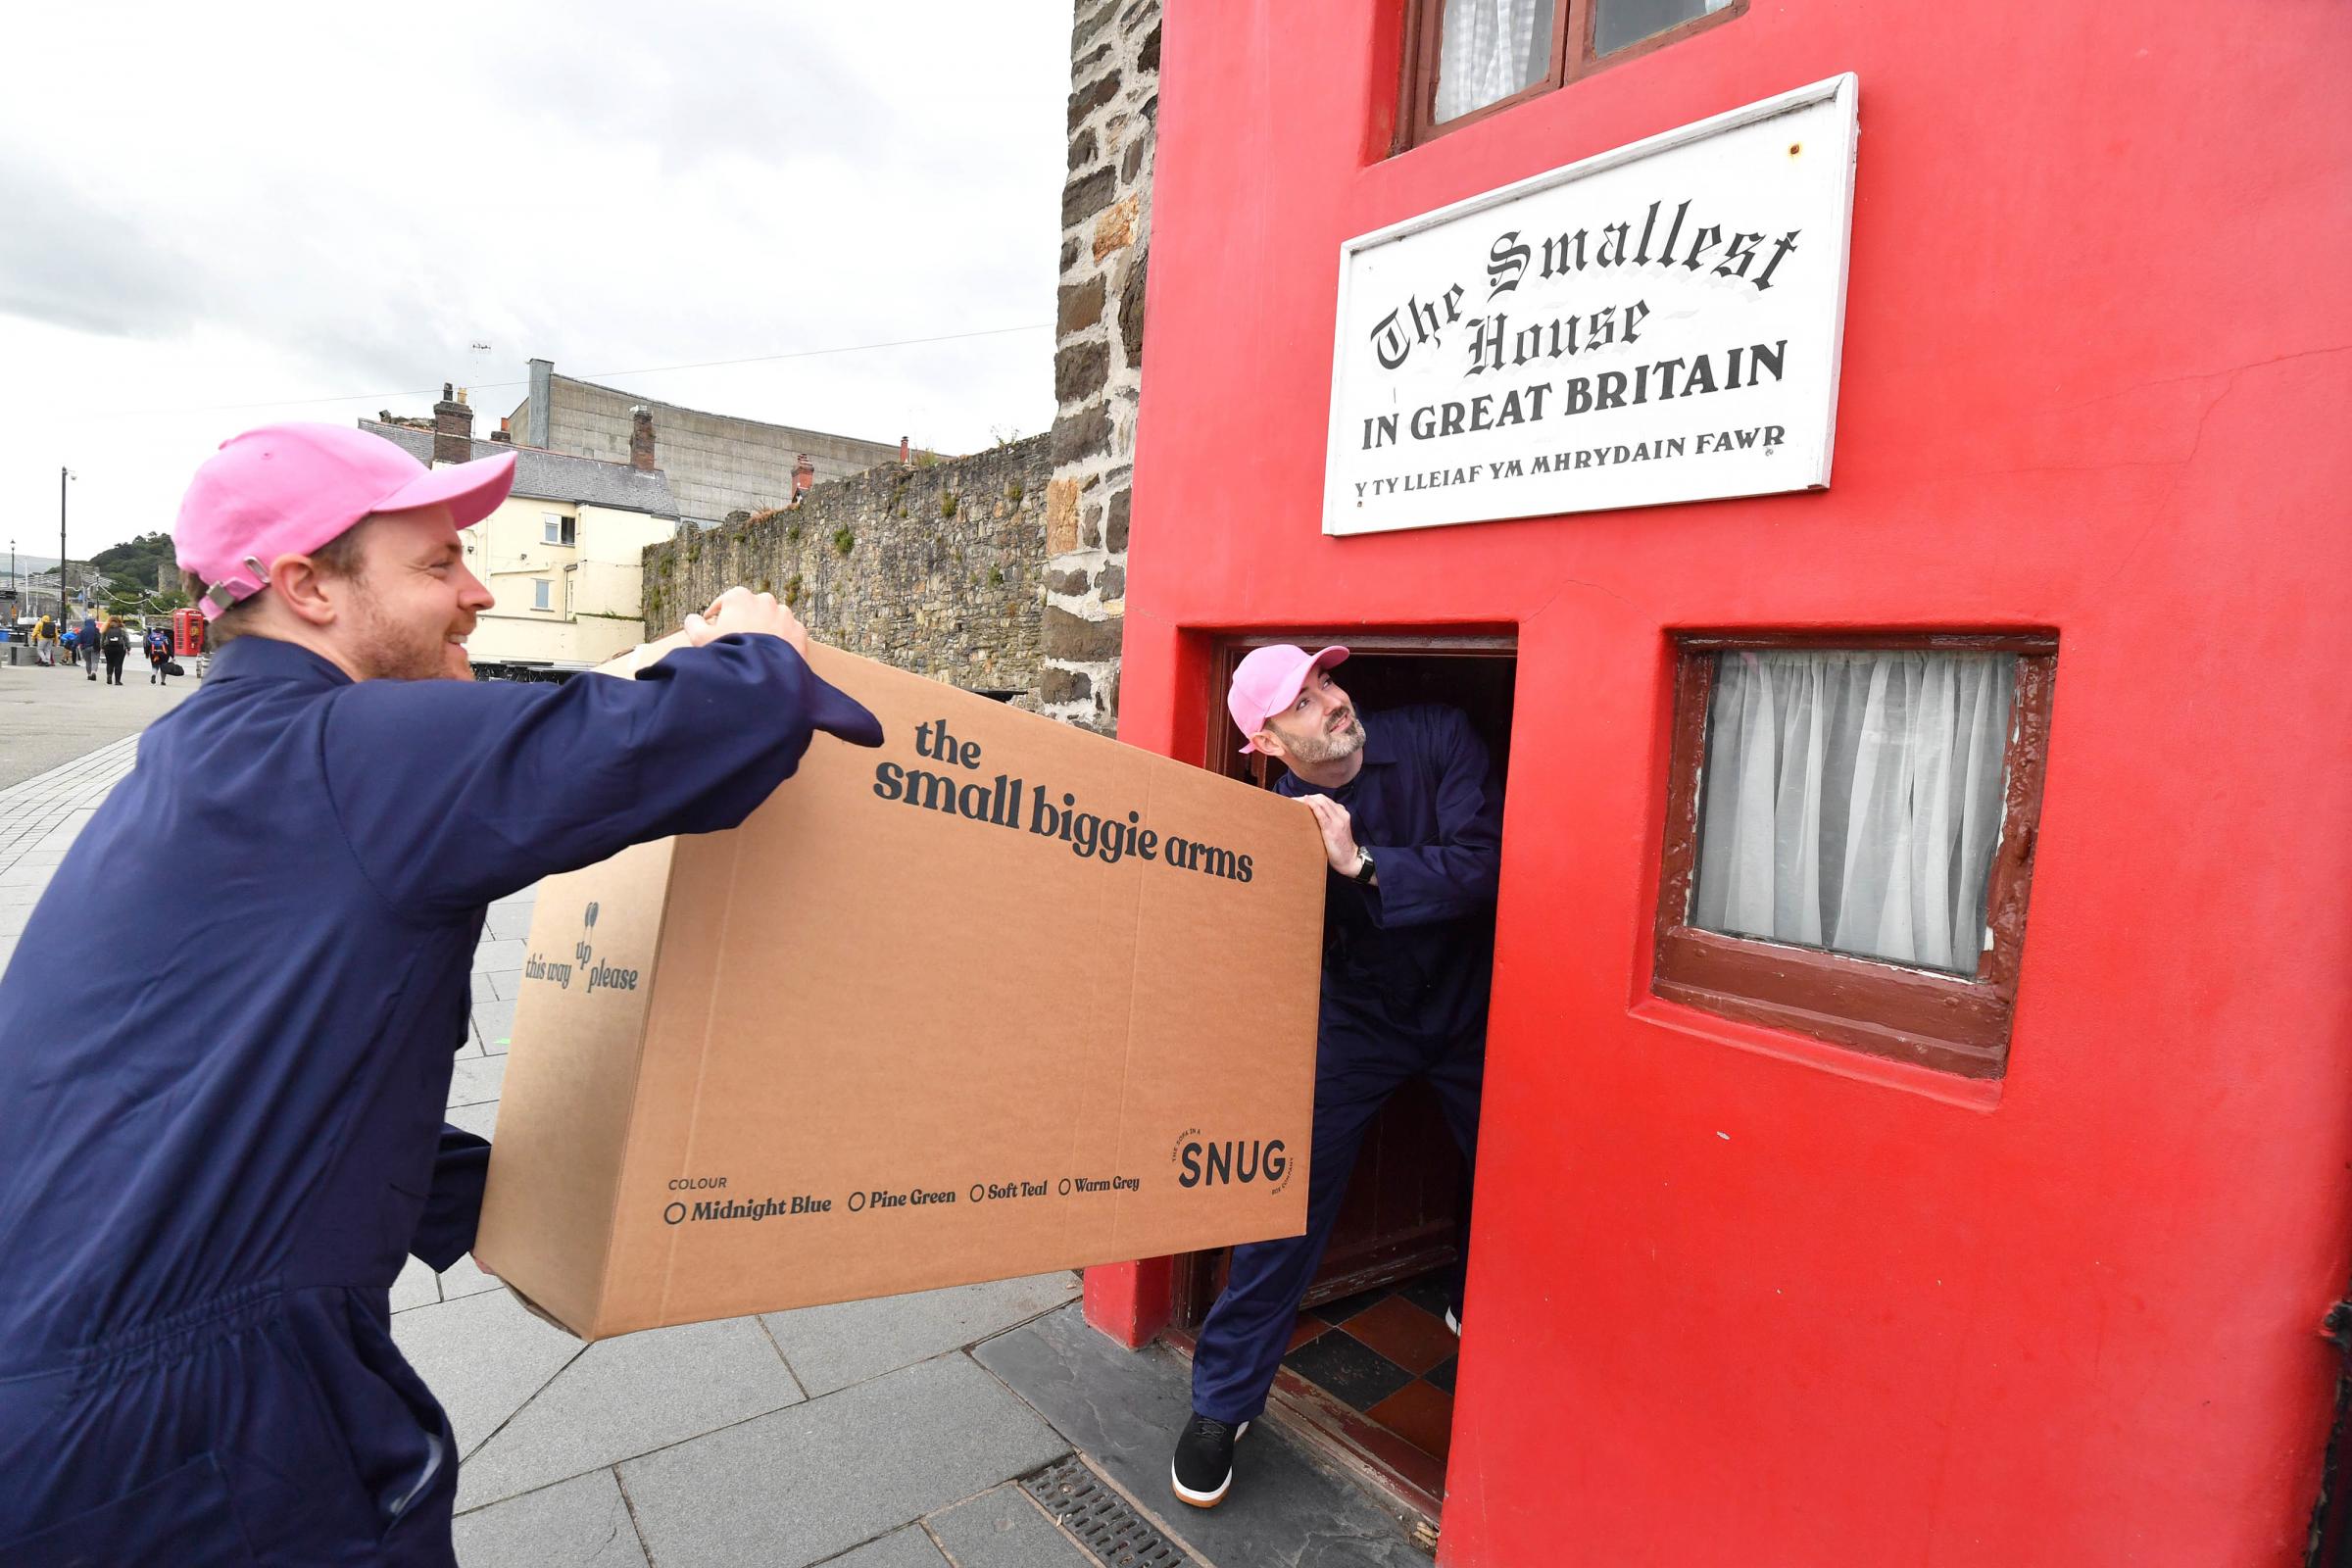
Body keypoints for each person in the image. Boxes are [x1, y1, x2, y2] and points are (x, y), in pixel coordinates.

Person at [0, 422, 884, 1566]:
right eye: (435, 565)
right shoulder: (349, 747)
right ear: (307, 586)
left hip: (72, 1403)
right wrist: (759, 645)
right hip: (187, 1439)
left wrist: (493, 1204)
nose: (476, 593)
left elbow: (238, 1071)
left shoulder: (194, 759)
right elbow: (704, 731)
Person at [1170, 644, 1501, 1509]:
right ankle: (1222, 1403)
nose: (1331, 702)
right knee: (1285, 1203)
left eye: (1326, 682)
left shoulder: (1439, 735)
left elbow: (1487, 864)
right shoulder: (1275, 823)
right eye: (1302, 702)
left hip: (1476, 1008)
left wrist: (1366, 864)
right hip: (1358, 1023)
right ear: (1270, 745)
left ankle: (1477, 1305)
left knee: (1509, 1173)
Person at [100, 614, 130, 686]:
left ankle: (109, 675)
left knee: (109, 663)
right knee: (118, 664)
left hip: (108, 647)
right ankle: (117, 681)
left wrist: (102, 647)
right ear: (118, 621)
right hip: (119, 648)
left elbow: (102, 639)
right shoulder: (122, 629)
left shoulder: (106, 628)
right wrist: (128, 648)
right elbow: (126, 639)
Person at [79, 610, 100, 679]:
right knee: (95, 661)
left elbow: (78, 639)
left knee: (88, 662)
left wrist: (74, 646)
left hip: (85, 648)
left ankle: (89, 675)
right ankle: (94, 672)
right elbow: (99, 639)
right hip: (95, 647)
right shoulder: (96, 630)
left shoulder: (83, 630)